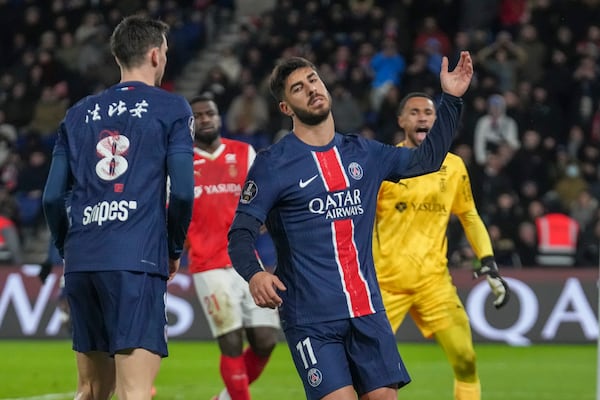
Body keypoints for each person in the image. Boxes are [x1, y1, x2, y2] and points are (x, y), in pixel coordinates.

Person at [227, 52, 474, 400]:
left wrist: (452, 99)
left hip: (368, 310)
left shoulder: (363, 153)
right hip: (311, 318)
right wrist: (255, 273)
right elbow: (240, 234)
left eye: (313, 80)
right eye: (298, 88)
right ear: (286, 108)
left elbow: (428, 159)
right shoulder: (273, 164)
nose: (311, 89)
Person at [42, 15, 194, 400]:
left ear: (117, 58)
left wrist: (67, 248)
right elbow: (181, 193)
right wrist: (173, 248)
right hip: (136, 259)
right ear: (156, 55)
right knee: (134, 392)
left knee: (91, 390)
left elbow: (51, 197)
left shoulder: (77, 114)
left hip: (83, 258)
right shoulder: (171, 108)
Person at [372, 91, 510, 400]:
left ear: (436, 120)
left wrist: (487, 260)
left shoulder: (454, 166)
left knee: (466, 359)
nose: (422, 117)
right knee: (367, 374)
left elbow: (469, 215)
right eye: (414, 112)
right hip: (384, 284)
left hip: (434, 283)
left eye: (428, 112)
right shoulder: (385, 164)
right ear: (401, 121)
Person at [186, 94, 279, 400]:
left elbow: (263, 193)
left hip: (245, 261)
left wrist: (265, 218)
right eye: (198, 115)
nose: (205, 119)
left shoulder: (243, 152)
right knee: (230, 340)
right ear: (191, 122)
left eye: (209, 113)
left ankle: (224, 398)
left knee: (266, 340)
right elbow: (170, 211)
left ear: (218, 116)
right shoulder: (181, 161)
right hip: (206, 262)